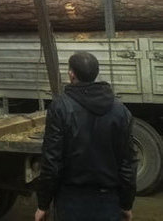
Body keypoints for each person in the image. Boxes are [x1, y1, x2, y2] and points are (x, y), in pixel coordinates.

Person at [34, 51, 136, 221]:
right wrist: (126, 203)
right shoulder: (120, 111)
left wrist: (43, 204)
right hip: (108, 200)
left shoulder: (60, 107)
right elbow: (127, 163)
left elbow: (52, 161)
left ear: (71, 74)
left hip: (70, 200)